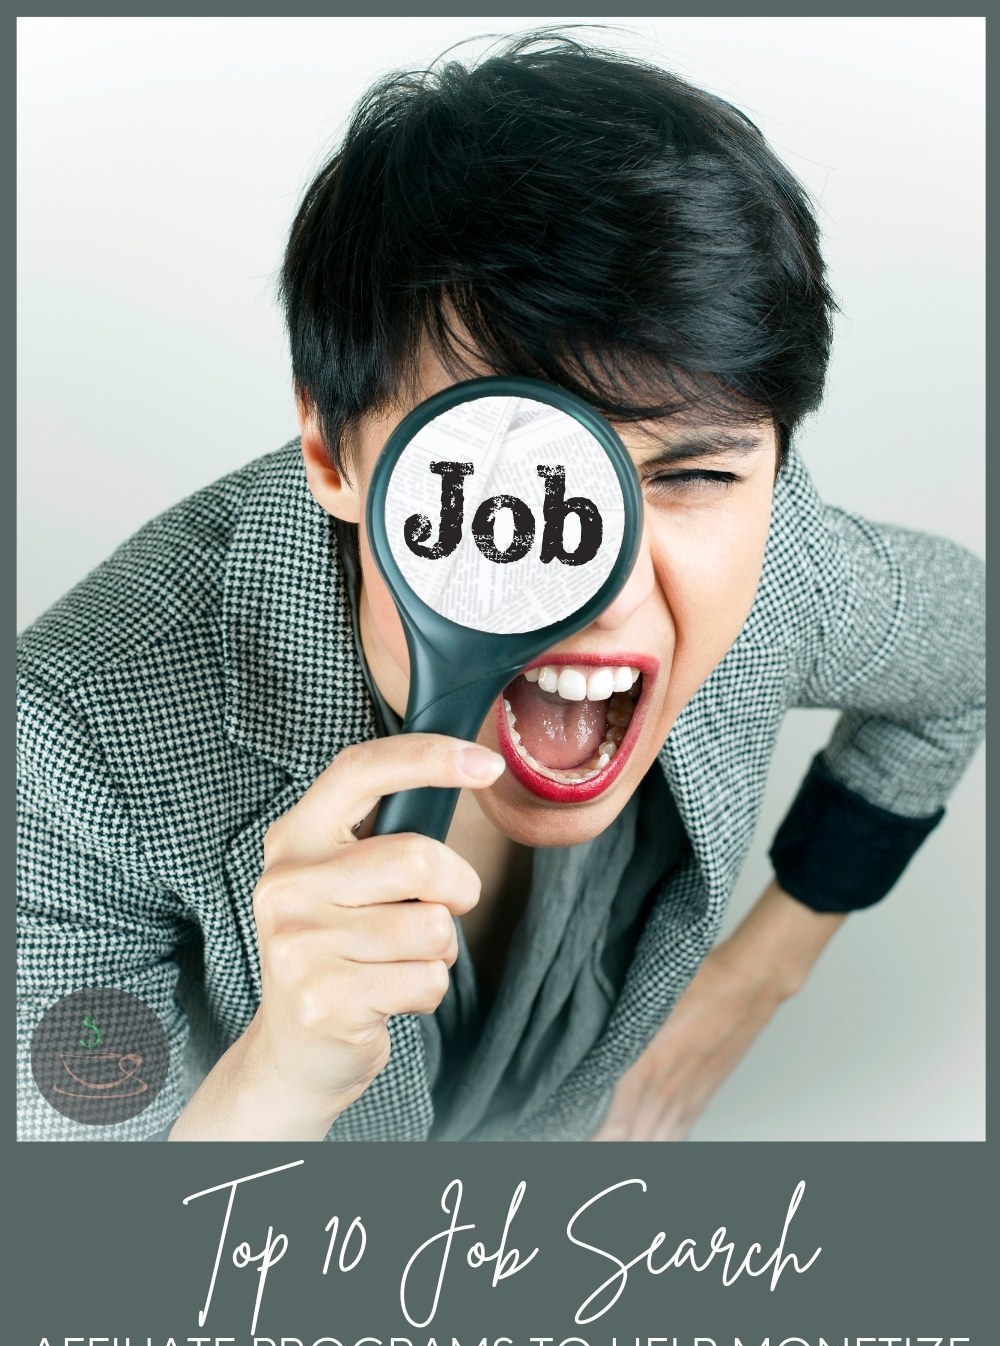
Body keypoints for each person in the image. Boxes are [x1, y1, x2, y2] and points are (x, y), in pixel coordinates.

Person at [16, 35, 984, 1142]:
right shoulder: (70, 742)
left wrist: (759, 975)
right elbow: (77, 1267)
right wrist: (275, 1086)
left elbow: (965, 658)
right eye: (512, 484)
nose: (603, 589)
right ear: (332, 452)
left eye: (692, 473)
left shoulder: (771, 564)